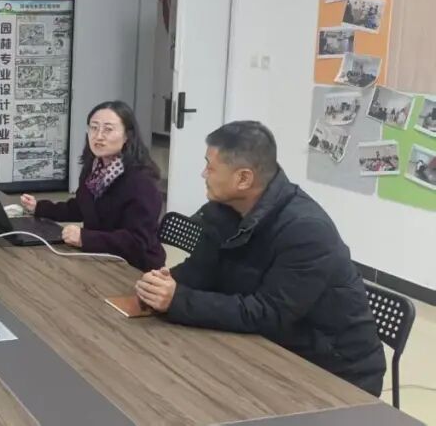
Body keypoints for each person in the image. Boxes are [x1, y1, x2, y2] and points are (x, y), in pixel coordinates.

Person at [135, 121, 385, 395]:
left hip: (333, 369)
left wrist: (178, 299)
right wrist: (163, 283)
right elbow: (200, 271)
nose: (203, 173)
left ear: (243, 179)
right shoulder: (224, 209)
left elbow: (269, 313)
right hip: (268, 346)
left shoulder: (307, 230)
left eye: (211, 167)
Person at [20, 101, 165, 271]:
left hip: (135, 267)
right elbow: (81, 207)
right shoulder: (94, 167)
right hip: (99, 257)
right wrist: (39, 208)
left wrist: (85, 238)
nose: (99, 136)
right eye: (94, 128)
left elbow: (137, 240)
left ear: (127, 136)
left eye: (108, 129)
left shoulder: (142, 181)